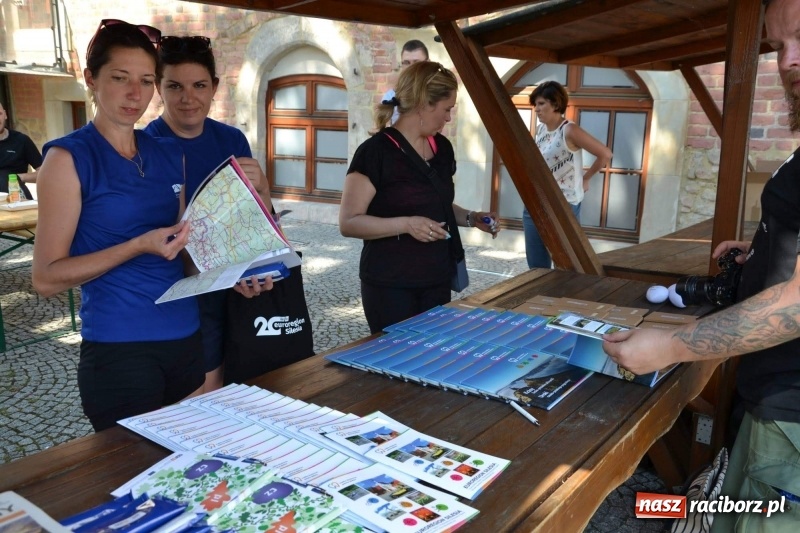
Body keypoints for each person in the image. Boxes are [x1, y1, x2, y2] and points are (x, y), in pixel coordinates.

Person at [604, 1, 800, 529]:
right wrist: (765, 248)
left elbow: (798, 304)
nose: (788, 62)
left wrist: (667, 346)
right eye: (780, 46)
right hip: (773, 404)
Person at [31, 19, 204, 432]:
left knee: (187, 474)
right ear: (91, 79)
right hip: (121, 347)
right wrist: (136, 245)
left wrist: (231, 266)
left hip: (186, 336)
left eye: (146, 81)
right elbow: (46, 278)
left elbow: (180, 252)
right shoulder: (67, 159)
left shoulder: (168, 152)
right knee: (133, 481)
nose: (135, 94)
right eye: (120, 78)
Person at [144, 35, 304, 392]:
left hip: (231, 299)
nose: (188, 98)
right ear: (158, 87)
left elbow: (255, 223)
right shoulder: (145, 147)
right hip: (177, 302)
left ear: (215, 87)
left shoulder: (232, 140)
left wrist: (262, 190)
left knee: (239, 398)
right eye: (175, 86)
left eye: (199, 85)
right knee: (198, 405)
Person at [340, 61, 498, 334]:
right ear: (425, 104)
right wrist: (406, 224)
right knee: (393, 366)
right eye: (447, 109)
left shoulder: (443, 149)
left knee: (432, 357)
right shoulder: (375, 152)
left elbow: (436, 203)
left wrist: (472, 218)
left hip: (436, 279)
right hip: (390, 285)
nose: (449, 118)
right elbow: (349, 222)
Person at [523, 81, 612, 268]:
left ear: (555, 104)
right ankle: (540, 296)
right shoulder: (540, 130)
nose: (536, 109)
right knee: (536, 266)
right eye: (535, 105)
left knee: (566, 263)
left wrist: (586, 178)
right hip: (536, 202)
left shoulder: (569, 130)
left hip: (564, 204)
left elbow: (605, 154)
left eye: (541, 104)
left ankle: (563, 297)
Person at [381, 39, 429, 126]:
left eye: (416, 62)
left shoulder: (437, 93)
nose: (411, 67)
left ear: (428, 63)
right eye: (406, 63)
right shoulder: (390, 96)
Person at [0, 102, 42, 199]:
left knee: (5, 177)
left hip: (17, 196)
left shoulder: (21, 140)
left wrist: (19, 177)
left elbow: (44, 173)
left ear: (5, 115)